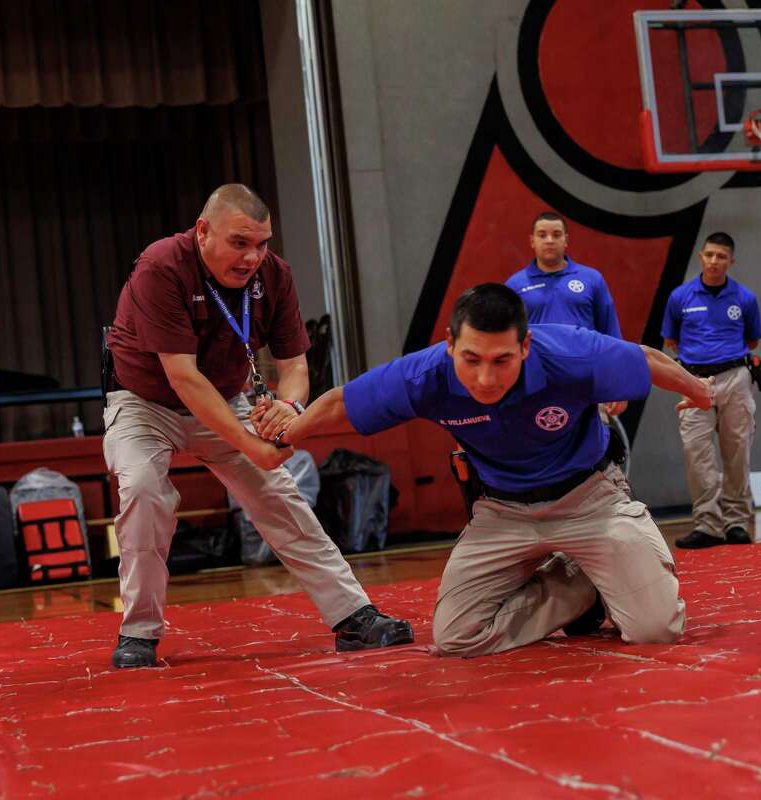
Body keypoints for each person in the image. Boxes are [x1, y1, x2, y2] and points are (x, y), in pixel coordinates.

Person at [274, 284, 714, 657]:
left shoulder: (569, 354)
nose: (485, 378)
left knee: (656, 630)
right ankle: (582, 587)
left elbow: (645, 360)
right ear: (450, 344)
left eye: (501, 360)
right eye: (471, 359)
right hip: (503, 512)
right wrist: (289, 434)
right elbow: (341, 404)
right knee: (456, 637)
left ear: (525, 346)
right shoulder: (426, 375)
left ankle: (615, 566)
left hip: (589, 500)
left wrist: (700, 393)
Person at [103, 183, 413, 668]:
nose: (252, 257)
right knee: (143, 490)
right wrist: (252, 443)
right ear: (203, 231)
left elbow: (295, 367)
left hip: (225, 397)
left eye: (262, 243)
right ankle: (139, 633)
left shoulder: (274, 275)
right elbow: (184, 377)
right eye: (239, 242)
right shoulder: (162, 266)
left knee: (278, 495)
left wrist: (288, 409)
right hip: (145, 402)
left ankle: (354, 615)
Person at [662, 233, 761, 548]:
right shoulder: (680, 297)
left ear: (731, 261)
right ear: (701, 257)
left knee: (737, 453)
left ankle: (736, 523)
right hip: (693, 381)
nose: (714, 261)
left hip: (734, 376)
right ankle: (707, 524)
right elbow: (671, 341)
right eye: (709, 255)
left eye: (721, 256)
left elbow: (752, 341)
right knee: (697, 454)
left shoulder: (744, 297)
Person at [505, 211, 626, 416]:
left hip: (587, 383)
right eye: (542, 235)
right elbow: (506, 342)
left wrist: (619, 385)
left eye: (556, 234)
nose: (550, 240)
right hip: (536, 386)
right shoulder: (515, 286)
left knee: (592, 446)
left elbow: (610, 333)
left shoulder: (591, 279)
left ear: (566, 240)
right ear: (532, 241)